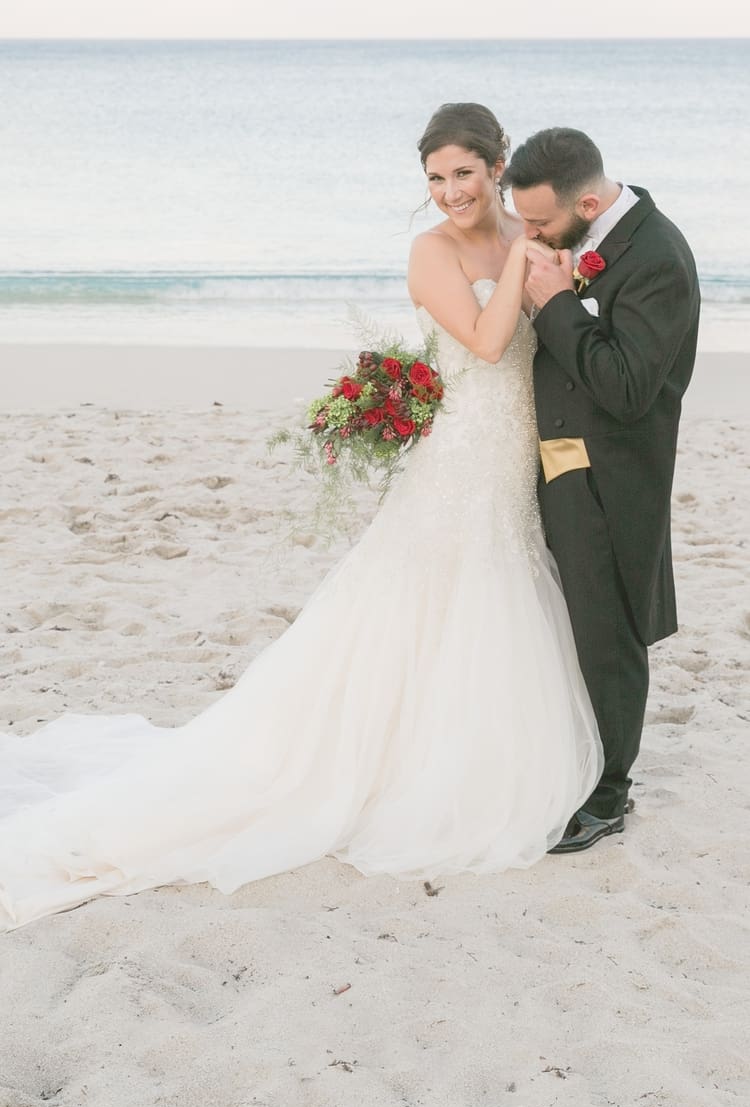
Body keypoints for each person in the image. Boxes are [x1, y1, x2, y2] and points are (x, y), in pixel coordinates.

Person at [0, 104, 602, 932]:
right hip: (462, 452)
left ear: (499, 165)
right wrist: (535, 266)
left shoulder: (532, 233)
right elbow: (492, 344)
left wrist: (544, 262)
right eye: (434, 178)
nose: (449, 192)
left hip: (516, 449)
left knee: (496, 589)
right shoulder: (430, 253)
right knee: (426, 591)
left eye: (463, 173)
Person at [503, 128, 700, 852]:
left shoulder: (659, 259)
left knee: (608, 629)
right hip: (552, 458)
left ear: (587, 202)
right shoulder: (580, 230)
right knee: (560, 619)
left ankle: (609, 794)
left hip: (610, 476)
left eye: (540, 224)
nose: (528, 235)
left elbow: (625, 389)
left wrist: (557, 302)